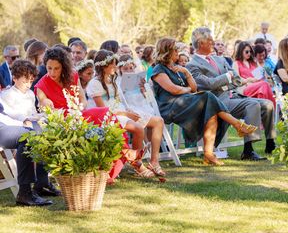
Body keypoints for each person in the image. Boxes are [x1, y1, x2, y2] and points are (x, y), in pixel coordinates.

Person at [151, 37, 257, 166]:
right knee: (208, 96)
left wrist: (186, 72)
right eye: (175, 50)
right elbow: (174, 90)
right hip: (170, 107)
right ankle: (238, 125)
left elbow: (194, 88)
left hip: (185, 102)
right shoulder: (159, 69)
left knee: (211, 111)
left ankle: (209, 155)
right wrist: (188, 89)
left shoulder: (178, 69)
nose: (177, 53)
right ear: (167, 52)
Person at [33, 46, 128, 183]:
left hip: (78, 113)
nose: (52, 72)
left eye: (56, 68)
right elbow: (43, 101)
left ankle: (113, 163)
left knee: (105, 113)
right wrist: (46, 103)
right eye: (49, 68)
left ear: (63, 67)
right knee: (97, 118)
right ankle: (111, 165)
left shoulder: (72, 75)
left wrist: (79, 108)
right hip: (62, 120)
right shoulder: (41, 85)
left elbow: (82, 98)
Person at [186, 27, 275, 160]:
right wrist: (226, 77)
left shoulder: (219, 59)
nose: (214, 42)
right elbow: (208, 85)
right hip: (217, 102)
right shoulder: (192, 65)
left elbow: (236, 79)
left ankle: (270, 141)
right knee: (252, 104)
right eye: (210, 40)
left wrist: (225, 82)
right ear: (200, 43)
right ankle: (248, 150)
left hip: (234, 95)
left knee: (267, 104)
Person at [86, 50, 163, 178]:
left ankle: (153, 161)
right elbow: (102, 110)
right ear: (104, 66)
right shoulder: (95, 83)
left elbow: (121, 100)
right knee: (138, 128)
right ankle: (137, 163)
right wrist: (126, 114)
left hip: (122, 113)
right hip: (108, 117)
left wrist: (129, 111)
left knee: (157, 121)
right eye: (113, 65)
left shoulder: (113, 79)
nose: (115, 67)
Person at [0, 99, 58, 206]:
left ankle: (41, 183)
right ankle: (25, 193)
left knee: (40, 129)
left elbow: (5, 112)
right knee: (28, 136)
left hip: (4, 123)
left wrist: (24, 121)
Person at [233, 42, 276, 106]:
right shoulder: (236, 63)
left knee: (263, 88)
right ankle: (272, 108)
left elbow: (259, 77)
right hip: (244, 87)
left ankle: (266, 109)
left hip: (257, 86)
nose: (249, 54)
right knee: (264, 84)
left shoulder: (253, 63)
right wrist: (248, 80)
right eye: (247, 52)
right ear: (241, 51)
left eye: (250, 52)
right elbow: (237, 80)